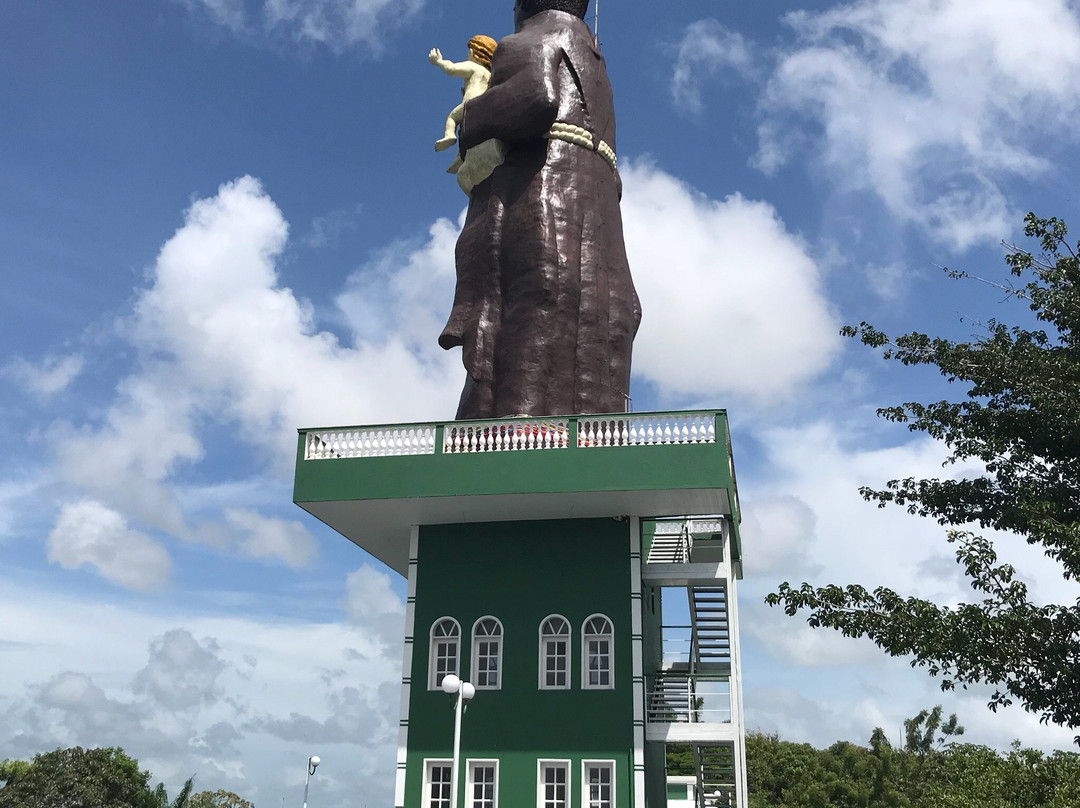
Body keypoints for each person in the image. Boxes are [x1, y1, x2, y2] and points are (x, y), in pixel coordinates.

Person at [438, 0, 641, 419]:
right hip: (598, 205)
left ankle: (514, 430)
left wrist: (471, 115)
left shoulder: (524, 42)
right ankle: (591, 431)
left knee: (529, 300)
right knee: (598, 314)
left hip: (539, 189)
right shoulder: (595, 63)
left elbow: (536, 97)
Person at [428, 35, 506, 195]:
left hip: (470, 103)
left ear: (472, 52)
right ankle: (460, 157)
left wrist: (439, 62)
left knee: (452, 118)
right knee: (467, 132)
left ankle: (448, 136)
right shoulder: (490, 74)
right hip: (485, 105)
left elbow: (451, 69)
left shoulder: (473, 67)